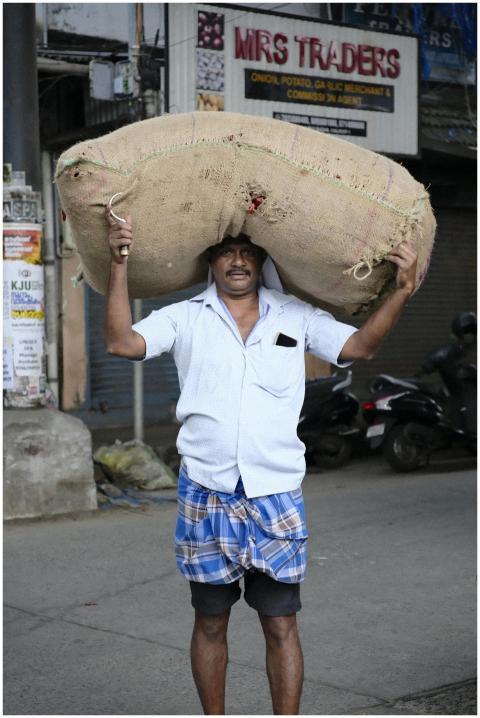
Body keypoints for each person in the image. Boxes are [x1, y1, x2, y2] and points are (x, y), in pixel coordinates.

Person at [104, 208, 418, 715]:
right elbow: (121, 342)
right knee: (209, 621)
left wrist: (402, 288)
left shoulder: (294, 315)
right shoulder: (185, 317)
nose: (237, 261)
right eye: (227, 251)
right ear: (211, 260)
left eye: (248, 253)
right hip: (206, 492)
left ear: (262, 261)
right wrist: (119, 263)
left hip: (275, 494)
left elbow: (361, 344)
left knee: (280, 623)